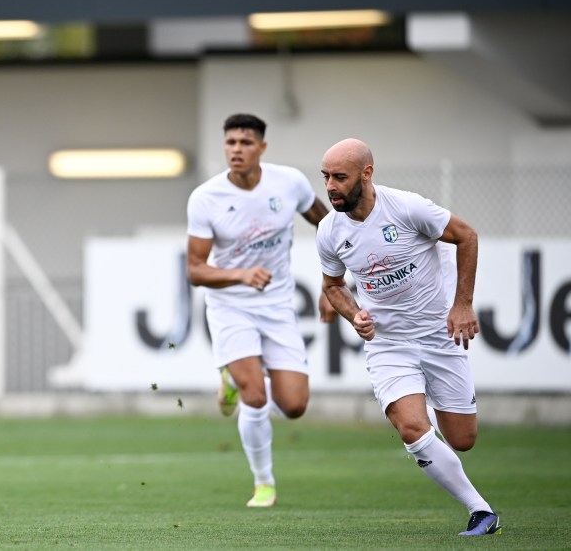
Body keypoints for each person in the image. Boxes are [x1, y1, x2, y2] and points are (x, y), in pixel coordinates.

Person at [316, 138, 501, 536]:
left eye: (339, 177)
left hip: (437, 336)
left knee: (462, 439)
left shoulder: (407, 207)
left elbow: (466, 236)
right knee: (411, 429)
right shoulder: (329, 230)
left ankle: (422, 410)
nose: (330, 186)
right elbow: (332, 287)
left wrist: (463, 304)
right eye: (326, 176)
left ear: (367, 173)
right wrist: (354, 315)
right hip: (388, 344)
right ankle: (480, 510)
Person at [186, 113, 333, 508]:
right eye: (231, 142)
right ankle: (263, 483)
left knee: (295, 406)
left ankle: (234, 376)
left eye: (245, 142)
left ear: (262, 148)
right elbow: (196, 270)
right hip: (230, 307)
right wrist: (240, 275)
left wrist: (332, 285)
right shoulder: (206, 197)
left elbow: (331, 228)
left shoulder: (290, 184)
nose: (237, 149)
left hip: (278, 306)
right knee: (255, 397)